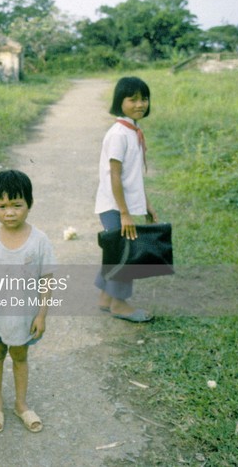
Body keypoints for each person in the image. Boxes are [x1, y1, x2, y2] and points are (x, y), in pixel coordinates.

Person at [0, 170, 56, 434]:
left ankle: (21, 404)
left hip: (24, 316)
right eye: (2, 206)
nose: (9, 212)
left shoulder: (39, 240)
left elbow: (47, 279)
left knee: (20, 357)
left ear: (29, 204)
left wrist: (42, 315)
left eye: (16, 205)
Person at [94, 76, 157, 323]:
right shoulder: (119, 134)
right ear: (120, 102)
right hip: (115, 207)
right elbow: (115, 176)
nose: (140, 104)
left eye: (144, 99)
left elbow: (133, 177)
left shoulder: (133, 131)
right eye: (133, 99)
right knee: (125, 254)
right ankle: (119, 304)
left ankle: (105, 299)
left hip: (123, 206)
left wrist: (146, 204)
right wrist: (124, 213)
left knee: (115, 252)